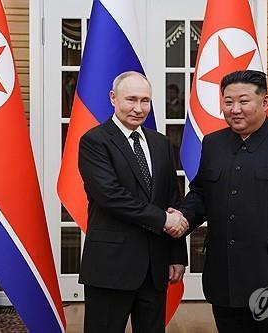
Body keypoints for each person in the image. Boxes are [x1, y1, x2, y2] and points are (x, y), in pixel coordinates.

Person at [176, 70, 268, 332]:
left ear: (265, 102)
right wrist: (183, 217)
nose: (234, 109)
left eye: (243, 101)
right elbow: (200, 193)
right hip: (226, 275)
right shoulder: (213, 143)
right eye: (228, 102)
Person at [78, 71, 188, 333]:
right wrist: (163, 220)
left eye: (145, 101)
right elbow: (111, 196)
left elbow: (172, 198)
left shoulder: (160, 143)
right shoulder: (95, 141)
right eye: (131, 100)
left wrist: (177, 255)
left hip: (155, 266)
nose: (139, 109)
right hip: (111, 266)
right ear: (113, 98)